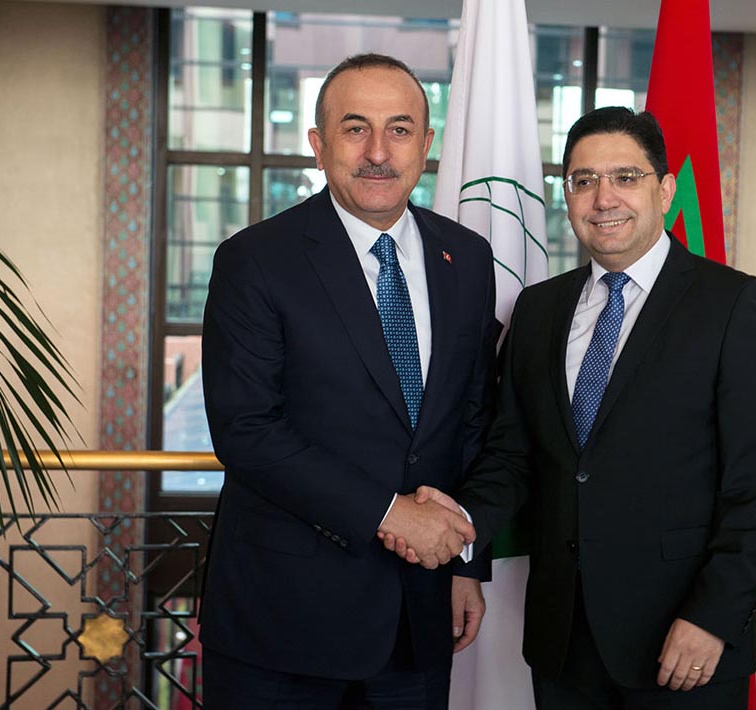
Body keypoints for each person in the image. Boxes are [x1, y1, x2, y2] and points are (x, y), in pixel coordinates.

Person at [386, 106, 756, 709]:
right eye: (583, 181)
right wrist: (460, 528)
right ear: (567, 195)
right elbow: (512, 454)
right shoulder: (538, 310)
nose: (604, 198)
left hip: (682, 641)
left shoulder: (735, 305)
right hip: (563, 641)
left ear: (664, 189)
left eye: (625, 177)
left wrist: (712, 616)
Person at [199, 53, 498, 709]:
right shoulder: (255, 260)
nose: (377, 153)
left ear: (426, 144)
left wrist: (466, 563)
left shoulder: (467, 259)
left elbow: (473, 419)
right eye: (354, 127)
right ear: (318, 143)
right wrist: (390, 514)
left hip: (420, 617)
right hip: (281, 624)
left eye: (399, 129)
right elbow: (246, 429)